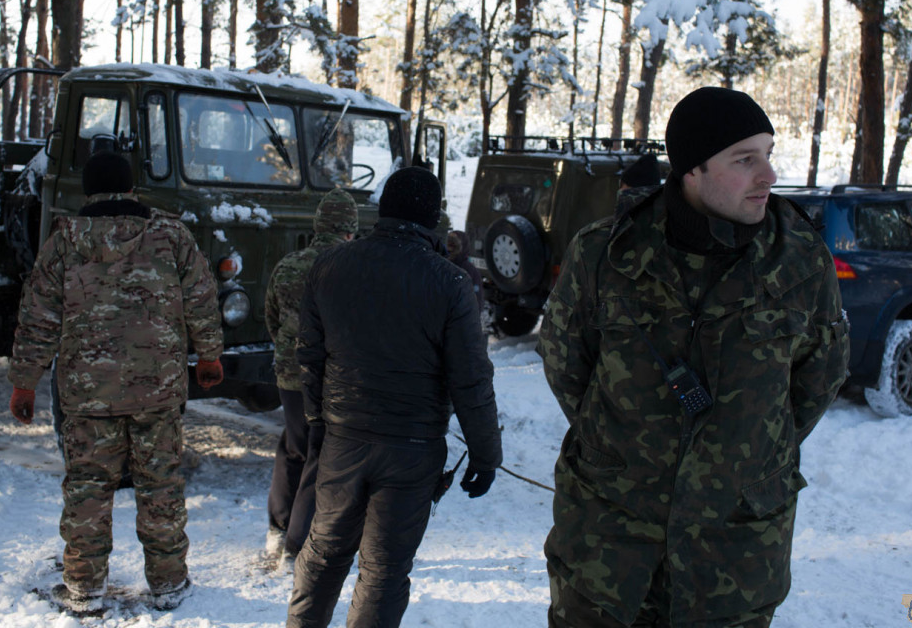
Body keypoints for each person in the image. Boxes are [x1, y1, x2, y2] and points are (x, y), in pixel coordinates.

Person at [538, 86, 850, 628]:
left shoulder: (801, 263)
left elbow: (815, 383)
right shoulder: (605, 254)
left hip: (733, 558)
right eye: (744, 159)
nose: (768, 175)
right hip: (609, 551)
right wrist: (627, 453)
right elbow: (568, 366)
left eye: (768, 154)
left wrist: (734, 455)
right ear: (692, 170)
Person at [7, 150, 224, 614]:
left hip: (89, 396)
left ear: (88, 191)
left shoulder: (64, 241)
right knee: (160, 485)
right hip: (158, 391)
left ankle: (84, 588)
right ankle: (168, 584)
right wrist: (208, 355)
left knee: (88, 487)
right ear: (130, 188)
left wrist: (25, 381)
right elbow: (202, 299)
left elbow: (38, 318)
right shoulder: (172, 236)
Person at [287, 166, 503, 628]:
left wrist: (319, 422)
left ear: (382, 210)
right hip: (412, 449)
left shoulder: (330, 266)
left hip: (345, 439)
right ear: (432, 219)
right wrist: (486, 454)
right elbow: (471, 379)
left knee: (323, 554)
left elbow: (309, 355)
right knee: (383, 571)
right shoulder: (449, 283)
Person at [264, 188, 360, 568]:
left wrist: (286, 351)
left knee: (293, 446)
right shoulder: (350, 268)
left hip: (288, 374)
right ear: (349, 229)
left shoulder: (288, 264)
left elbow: (271, 316)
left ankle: (277, 527)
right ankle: (297, 543)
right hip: (328, 376)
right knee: (317, 455)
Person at [445, 229, 484, 312]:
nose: (450, 249)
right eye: (448, 244)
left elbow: (477, 302)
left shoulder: (470, 270)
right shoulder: (441, 265)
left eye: (453, 245)